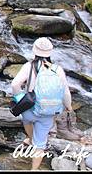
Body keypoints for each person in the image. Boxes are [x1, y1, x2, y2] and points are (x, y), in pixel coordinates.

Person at [11, 37, 73, 170]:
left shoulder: (29, 66)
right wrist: (68, 107)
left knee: (27, 121)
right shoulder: (57, 69)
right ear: (50, 52)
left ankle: (30, 138)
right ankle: (34, 168)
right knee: (40, 144)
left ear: (34, 51)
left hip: (29, 109)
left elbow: (15, 84)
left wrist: (19, 97)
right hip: (48, 111)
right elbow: (66, 92)